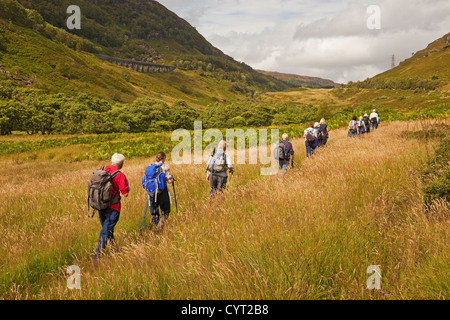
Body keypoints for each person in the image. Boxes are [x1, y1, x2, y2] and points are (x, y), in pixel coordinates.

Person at [92, 153, 129, 262]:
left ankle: (114, 250)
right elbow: (125, 193)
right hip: (113, 207)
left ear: (111, 160)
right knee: (106, 230)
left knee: (107, 229)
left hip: (100, 205)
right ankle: (97, 255)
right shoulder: (120, 175)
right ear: (121, 163)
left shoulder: (101, 169)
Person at [148, 151, 174, 228]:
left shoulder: (151, 166)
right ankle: (161, 225)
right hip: (162, 190)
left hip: (152, 191)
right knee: (165, 210)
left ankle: (154, 226)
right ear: (164, 158)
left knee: (154, 211)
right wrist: (171, 179)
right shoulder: (165, 166)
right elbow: (169, 181)